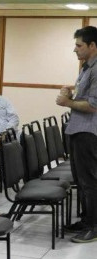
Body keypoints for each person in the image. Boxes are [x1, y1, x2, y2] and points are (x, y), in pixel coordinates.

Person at [56, 25, 97, 243]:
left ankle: (94, 225)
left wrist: (67, 102)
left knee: (89, 180)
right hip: (78, 129)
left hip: (88, 132)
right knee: (81, 180)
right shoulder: (86, 67)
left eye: (79, 45)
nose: (75, 49)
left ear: (92, 45)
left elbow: (93, 105)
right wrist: (72, 92)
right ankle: (86, 218)